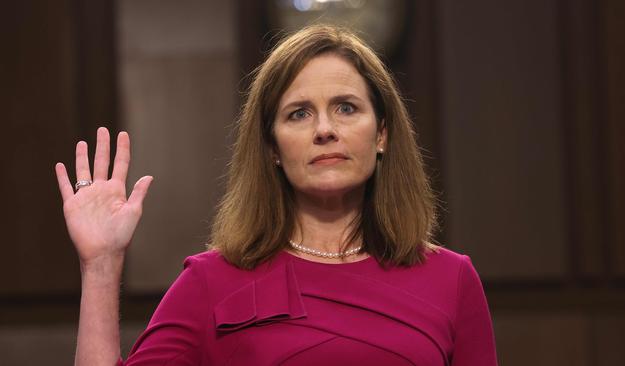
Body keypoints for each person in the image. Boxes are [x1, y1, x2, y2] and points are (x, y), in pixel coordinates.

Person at [55, 24, 498, 366]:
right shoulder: (212, 282)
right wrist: (100, 267)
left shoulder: (452, 280)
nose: (325, 129)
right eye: (299, 113)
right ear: (272, 149)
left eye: (346, 107)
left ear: (381, 134)